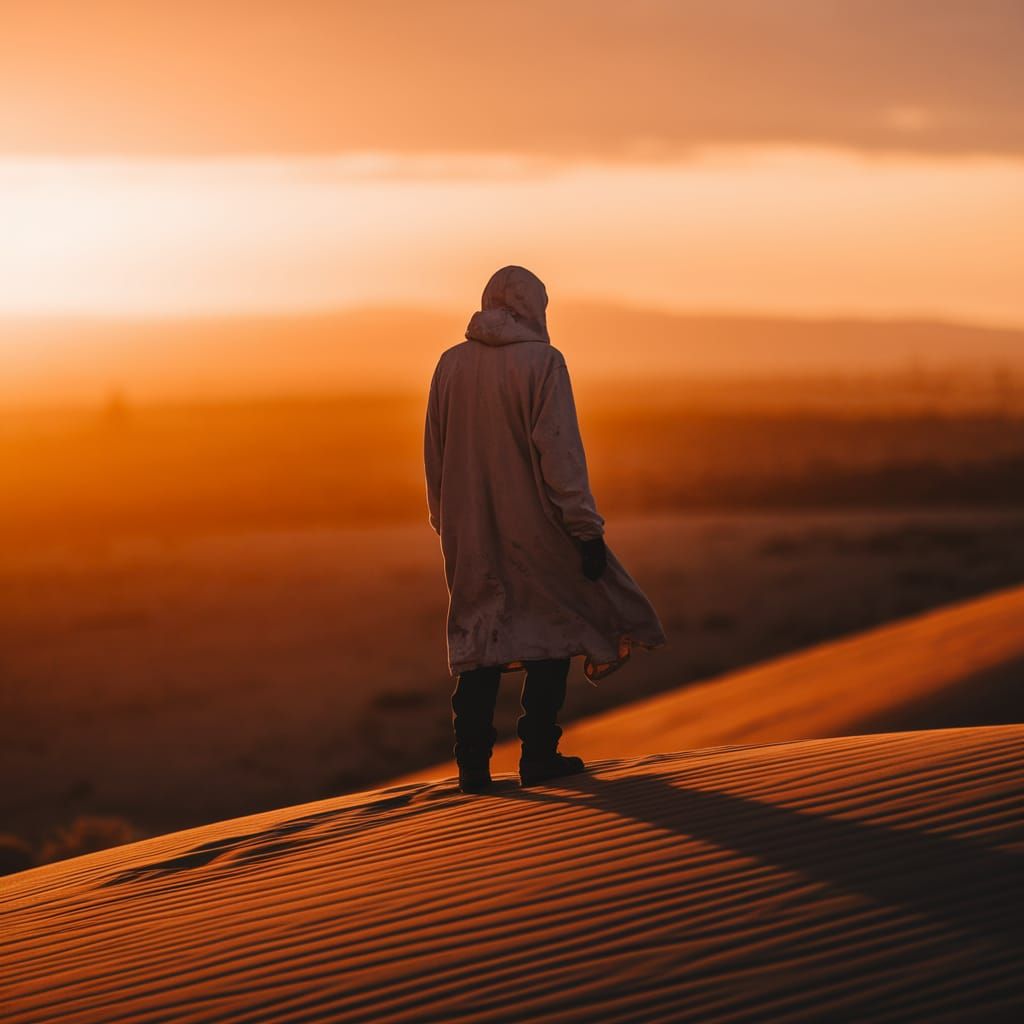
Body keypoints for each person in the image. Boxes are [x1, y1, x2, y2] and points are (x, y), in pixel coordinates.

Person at [424, 265, 666, 793]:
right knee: (551, 630)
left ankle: (472, 766)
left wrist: (447, 523)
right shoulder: (544, 364)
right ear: (535, 306)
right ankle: (538, 753)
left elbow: (434, 457)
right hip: (538, 523)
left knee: (480, 633)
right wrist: (585, 530)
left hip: (469, 530)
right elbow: (560, 456)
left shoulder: (450, 365)